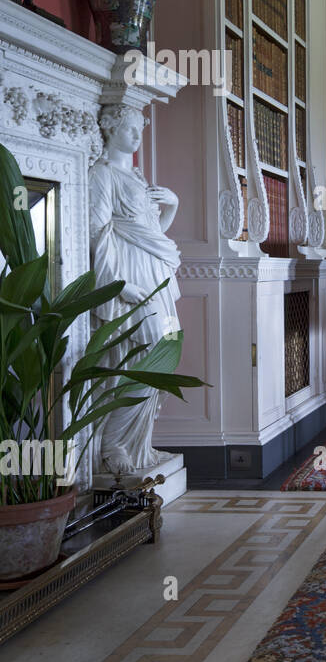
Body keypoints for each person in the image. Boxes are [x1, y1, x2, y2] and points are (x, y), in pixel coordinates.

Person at [88, 104, 183, 477]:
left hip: (154, 275)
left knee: (165, 354)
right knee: (140, 359)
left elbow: (154, 235)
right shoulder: (102, 175)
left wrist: (172, 205)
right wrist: (120, 286)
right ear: (109, 129)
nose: (136, 135)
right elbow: (97, 233)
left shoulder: (140, 178)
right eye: (128, 128)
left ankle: (137, 444)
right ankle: (113, 446)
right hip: (131, 277)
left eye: (138, 128)